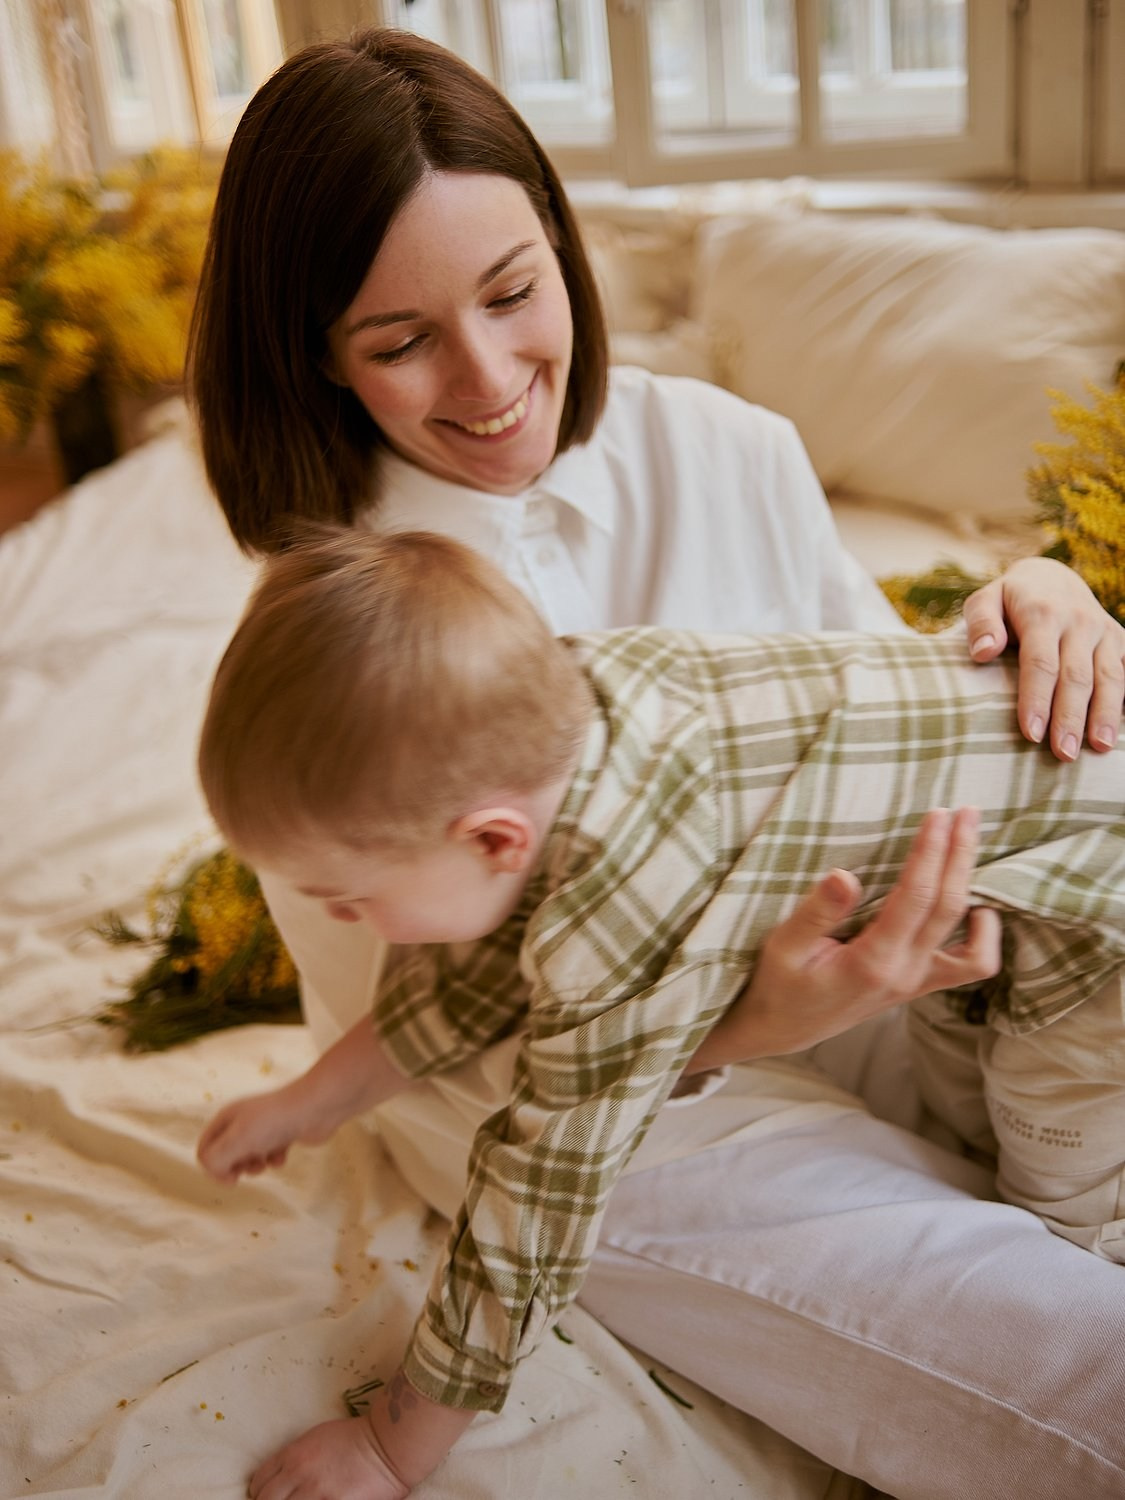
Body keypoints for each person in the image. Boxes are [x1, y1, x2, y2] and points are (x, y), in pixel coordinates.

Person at [187, 26, 1125, 1500]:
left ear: (564, 249)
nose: (490, 378)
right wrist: (744, 1023)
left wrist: (1039, 604)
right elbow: (462, 1028)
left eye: (513, 293)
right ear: (314, 357)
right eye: (399, 340)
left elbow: (873, 717)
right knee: (1072, 1351)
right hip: (608, 1113)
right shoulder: (328, 634)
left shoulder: (733, 446)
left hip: (872, 969)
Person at [195, 528, 1125, 1494]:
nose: (343, 921)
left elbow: (536, 1198)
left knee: (1063, 1192)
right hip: (1000, 878)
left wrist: (390, 1445)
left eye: (349, 898)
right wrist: (314, 1099)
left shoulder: (614, 912)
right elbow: (472, 967)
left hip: (1097, 922)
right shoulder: (570, 700)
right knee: (965, 1112)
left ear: (494, 839)